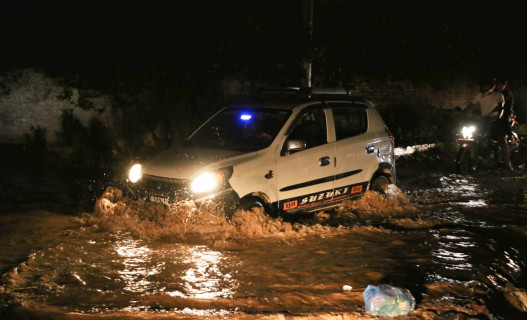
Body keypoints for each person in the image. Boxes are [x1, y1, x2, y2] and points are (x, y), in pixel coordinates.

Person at [465, 77, 514, 171]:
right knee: (476, 137)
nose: (484, 87)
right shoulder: (480, 95)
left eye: (487, 85)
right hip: (484, 120)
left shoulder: (499, 95)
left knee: (501, 140)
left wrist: (498, 116)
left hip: (497, 120)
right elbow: (471, 105)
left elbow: (502, 108)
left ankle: (508, 165)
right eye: (483, 85)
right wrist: (462, 114)